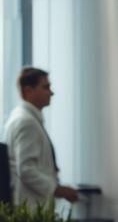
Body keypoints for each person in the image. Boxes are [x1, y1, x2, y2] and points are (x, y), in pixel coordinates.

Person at [4, 67, 77, 206]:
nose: (51, 92)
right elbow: (26, 169)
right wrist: (57, 189)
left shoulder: (23, 119)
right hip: (29, 207)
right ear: (28, 91)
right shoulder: (26, 122)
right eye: (45, 87)